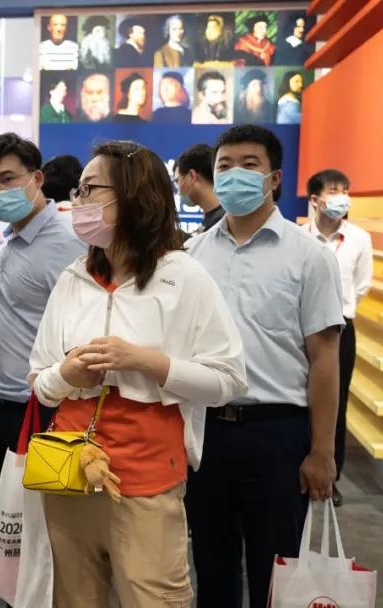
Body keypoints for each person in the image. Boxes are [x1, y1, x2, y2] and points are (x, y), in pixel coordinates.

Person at [28, 140, 247, 608]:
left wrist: (146, 361)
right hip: (67, 474)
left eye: (90, 189)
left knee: (153, 598)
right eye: (78, 190)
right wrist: (67, 374)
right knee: (73, 599)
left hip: (146, 482)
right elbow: (39, 384)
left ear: (133, 195)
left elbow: (228, 380)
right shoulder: (73, 278)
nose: (77, 201)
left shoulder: (183, 277)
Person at [186, 125, 343, 608]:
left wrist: (322, 452)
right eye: (225, 165)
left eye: (249, 164)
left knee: (275, 571)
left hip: (277, 435)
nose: (234, 173)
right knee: (211, 563)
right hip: (206, 433)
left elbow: (324, 360)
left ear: (274, 178)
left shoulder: (310, 257)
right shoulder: (192, 254)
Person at [0, 134, 87, 541]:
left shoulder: (68, 242)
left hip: (44, 413)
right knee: (2, 533)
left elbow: (83, 329)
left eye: (6, 179)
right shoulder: (12, 239)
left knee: (40, 540)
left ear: (37, 179)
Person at [304, 169, 372, 507]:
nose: (341, 196)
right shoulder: (299, 237)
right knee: (302, 397)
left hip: (342, 326)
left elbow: (361, 285)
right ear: (315, 199)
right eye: (333, 190)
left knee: (336, 401)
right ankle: (301, 464)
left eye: (345, 190)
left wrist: (340, 308)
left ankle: (332, 476)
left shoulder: (359, 239)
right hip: (303, 326)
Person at [176, 143, 224, 235]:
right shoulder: (215, 220)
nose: (178, 188)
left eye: (178, 180)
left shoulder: (221, 224)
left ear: (192, 176)